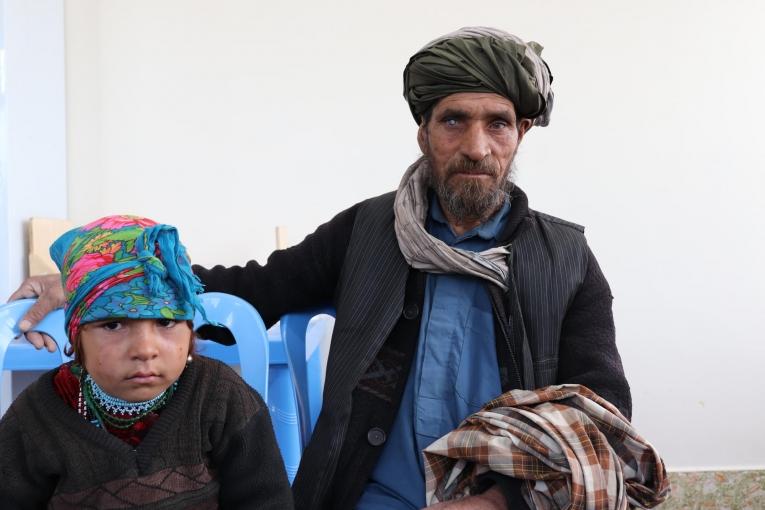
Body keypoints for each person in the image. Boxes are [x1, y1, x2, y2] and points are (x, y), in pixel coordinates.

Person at [11, 28, 631, 510]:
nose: (476, 146)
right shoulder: (367, 232)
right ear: (423, 132)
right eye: (453, 121)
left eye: (497, 123)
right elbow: (254, 287)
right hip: (367, 496)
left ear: (521, 132)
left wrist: (501, 500)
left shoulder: (566, 260)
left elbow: (601, 419)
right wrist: (111, 278)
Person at [0, 215, 292, 509]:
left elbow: (267, 501)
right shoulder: (36, 417)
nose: (145, 349)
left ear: (190, 330)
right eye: (113, 325)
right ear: (77, 338)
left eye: (166, 322)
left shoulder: (222, 397)